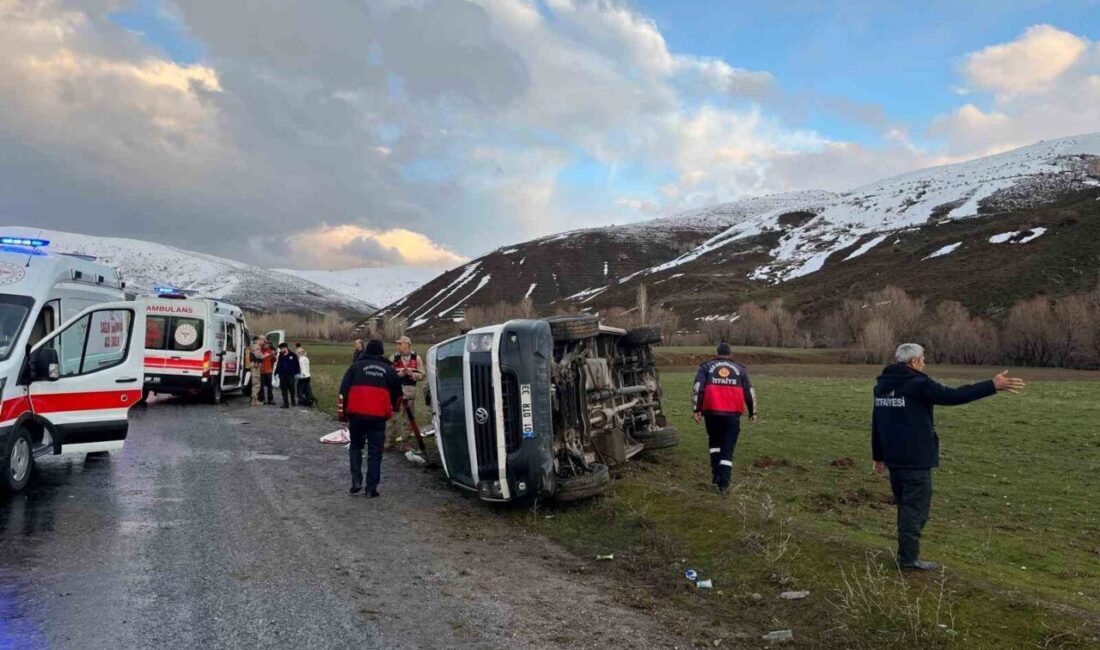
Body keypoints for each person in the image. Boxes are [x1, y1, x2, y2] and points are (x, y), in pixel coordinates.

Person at [872, 343, 1024, 571]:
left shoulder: (883, 385)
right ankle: (908, 559)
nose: (924, 363)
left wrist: (878, 456)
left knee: (906, 507)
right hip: (915, 460)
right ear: (914, 362)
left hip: (894, 459)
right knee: (915, 510)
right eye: (922, 359)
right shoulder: (918, 384)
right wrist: (992, 385)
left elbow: (877, 421)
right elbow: (953, 395)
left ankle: (907, 554)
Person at [338, 339, 402, 498]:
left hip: (357, 415)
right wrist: (395, 408)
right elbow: (398, 395)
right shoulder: (389, 369)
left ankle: (356, 481)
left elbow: (343, 391)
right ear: (381, 352)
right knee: (375, 452)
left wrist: (342, 413)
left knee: (356, 447)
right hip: (378, 417)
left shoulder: (355, 366)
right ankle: (371, 488)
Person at [692, 342, 756, 495]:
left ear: (717, 353)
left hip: (712, 413)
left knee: (714, 444)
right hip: (732, 415)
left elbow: (698, 388)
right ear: (730, 354)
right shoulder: (740, 370)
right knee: (727, 449)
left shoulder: (705, 367)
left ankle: (715, 477)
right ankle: (724, 484)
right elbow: (749, 392)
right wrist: (753, 412)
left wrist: (697, 409)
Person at [386, 335, 425, 451]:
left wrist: (411, 374)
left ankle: (405, 443)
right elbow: (387, 375)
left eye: (400, 343)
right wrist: (398, 375)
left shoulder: (416, 358)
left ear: (407, 344)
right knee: (391, 417)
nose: (398, 346)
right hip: (396, 393)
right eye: (397, 344)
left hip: (410, 393)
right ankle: (389, 442)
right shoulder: (393, 358)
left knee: (408, 419)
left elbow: (422, 375)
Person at [275, 343, 301, 408]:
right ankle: (286, 404)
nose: (281, 350)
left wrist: (297, 373)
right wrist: (276, 372)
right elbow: (278, 364)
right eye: (280, 349)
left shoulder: (293, 355)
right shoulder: (280, 356)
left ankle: (293, 401)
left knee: (292, 390)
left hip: (291, 376)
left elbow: (297, 365)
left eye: (281, 348)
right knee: (283, 390)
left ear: (285, 348)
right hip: (282, 376)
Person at [248, 336, 264, 406]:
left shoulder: (252, 345)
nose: (263, 342)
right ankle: (254, 401)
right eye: (263, 341)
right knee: (256, 384)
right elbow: (258, 355)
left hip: (254, 366)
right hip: (255, 366)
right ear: (259, 340)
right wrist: (264, 356)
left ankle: (254, 400)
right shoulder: (257, 346)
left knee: (255, 384)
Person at [260, 340, 277, 405]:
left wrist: (273, 356)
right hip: (261, 371)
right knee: (261, 386)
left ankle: (270, 399)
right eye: (265, 344)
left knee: (270, 386)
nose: (266, 345)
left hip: (268, 370)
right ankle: (262, 399)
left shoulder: (270, 351)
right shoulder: (260, 351)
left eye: (267, 344)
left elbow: (274, 360)